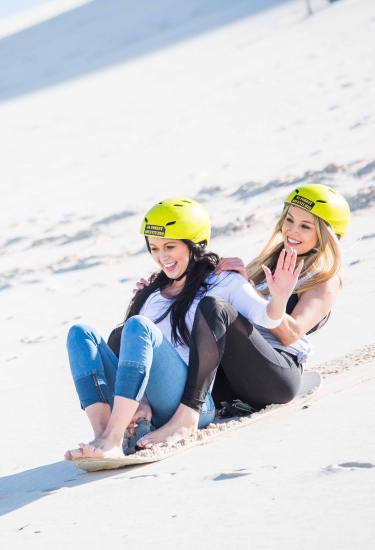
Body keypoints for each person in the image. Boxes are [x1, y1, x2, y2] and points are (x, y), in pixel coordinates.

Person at [64, 197, 304, 461]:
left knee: (138, 326)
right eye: (154, 248)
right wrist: (141, 399)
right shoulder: (152, 294)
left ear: (195, 245)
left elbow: (265, 317)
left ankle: (116, 437)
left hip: (189, 401)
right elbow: (136, 356)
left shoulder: (223, 280)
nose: (161, 257)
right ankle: (106, 433)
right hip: (147, 404)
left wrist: (279, 298)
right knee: (80, 333)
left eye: (170, 246)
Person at [132, 184, 350, 448]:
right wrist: (166, 289)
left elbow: (292, 332)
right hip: (232, 379)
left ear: (327, 234)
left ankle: (186, 416)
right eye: (289, 220)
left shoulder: (325, 281)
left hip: (274, 378)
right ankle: (137, 418)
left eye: (306, 226)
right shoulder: (268, 261)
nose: (292, 230)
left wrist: (252, 290)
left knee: (216, 308)